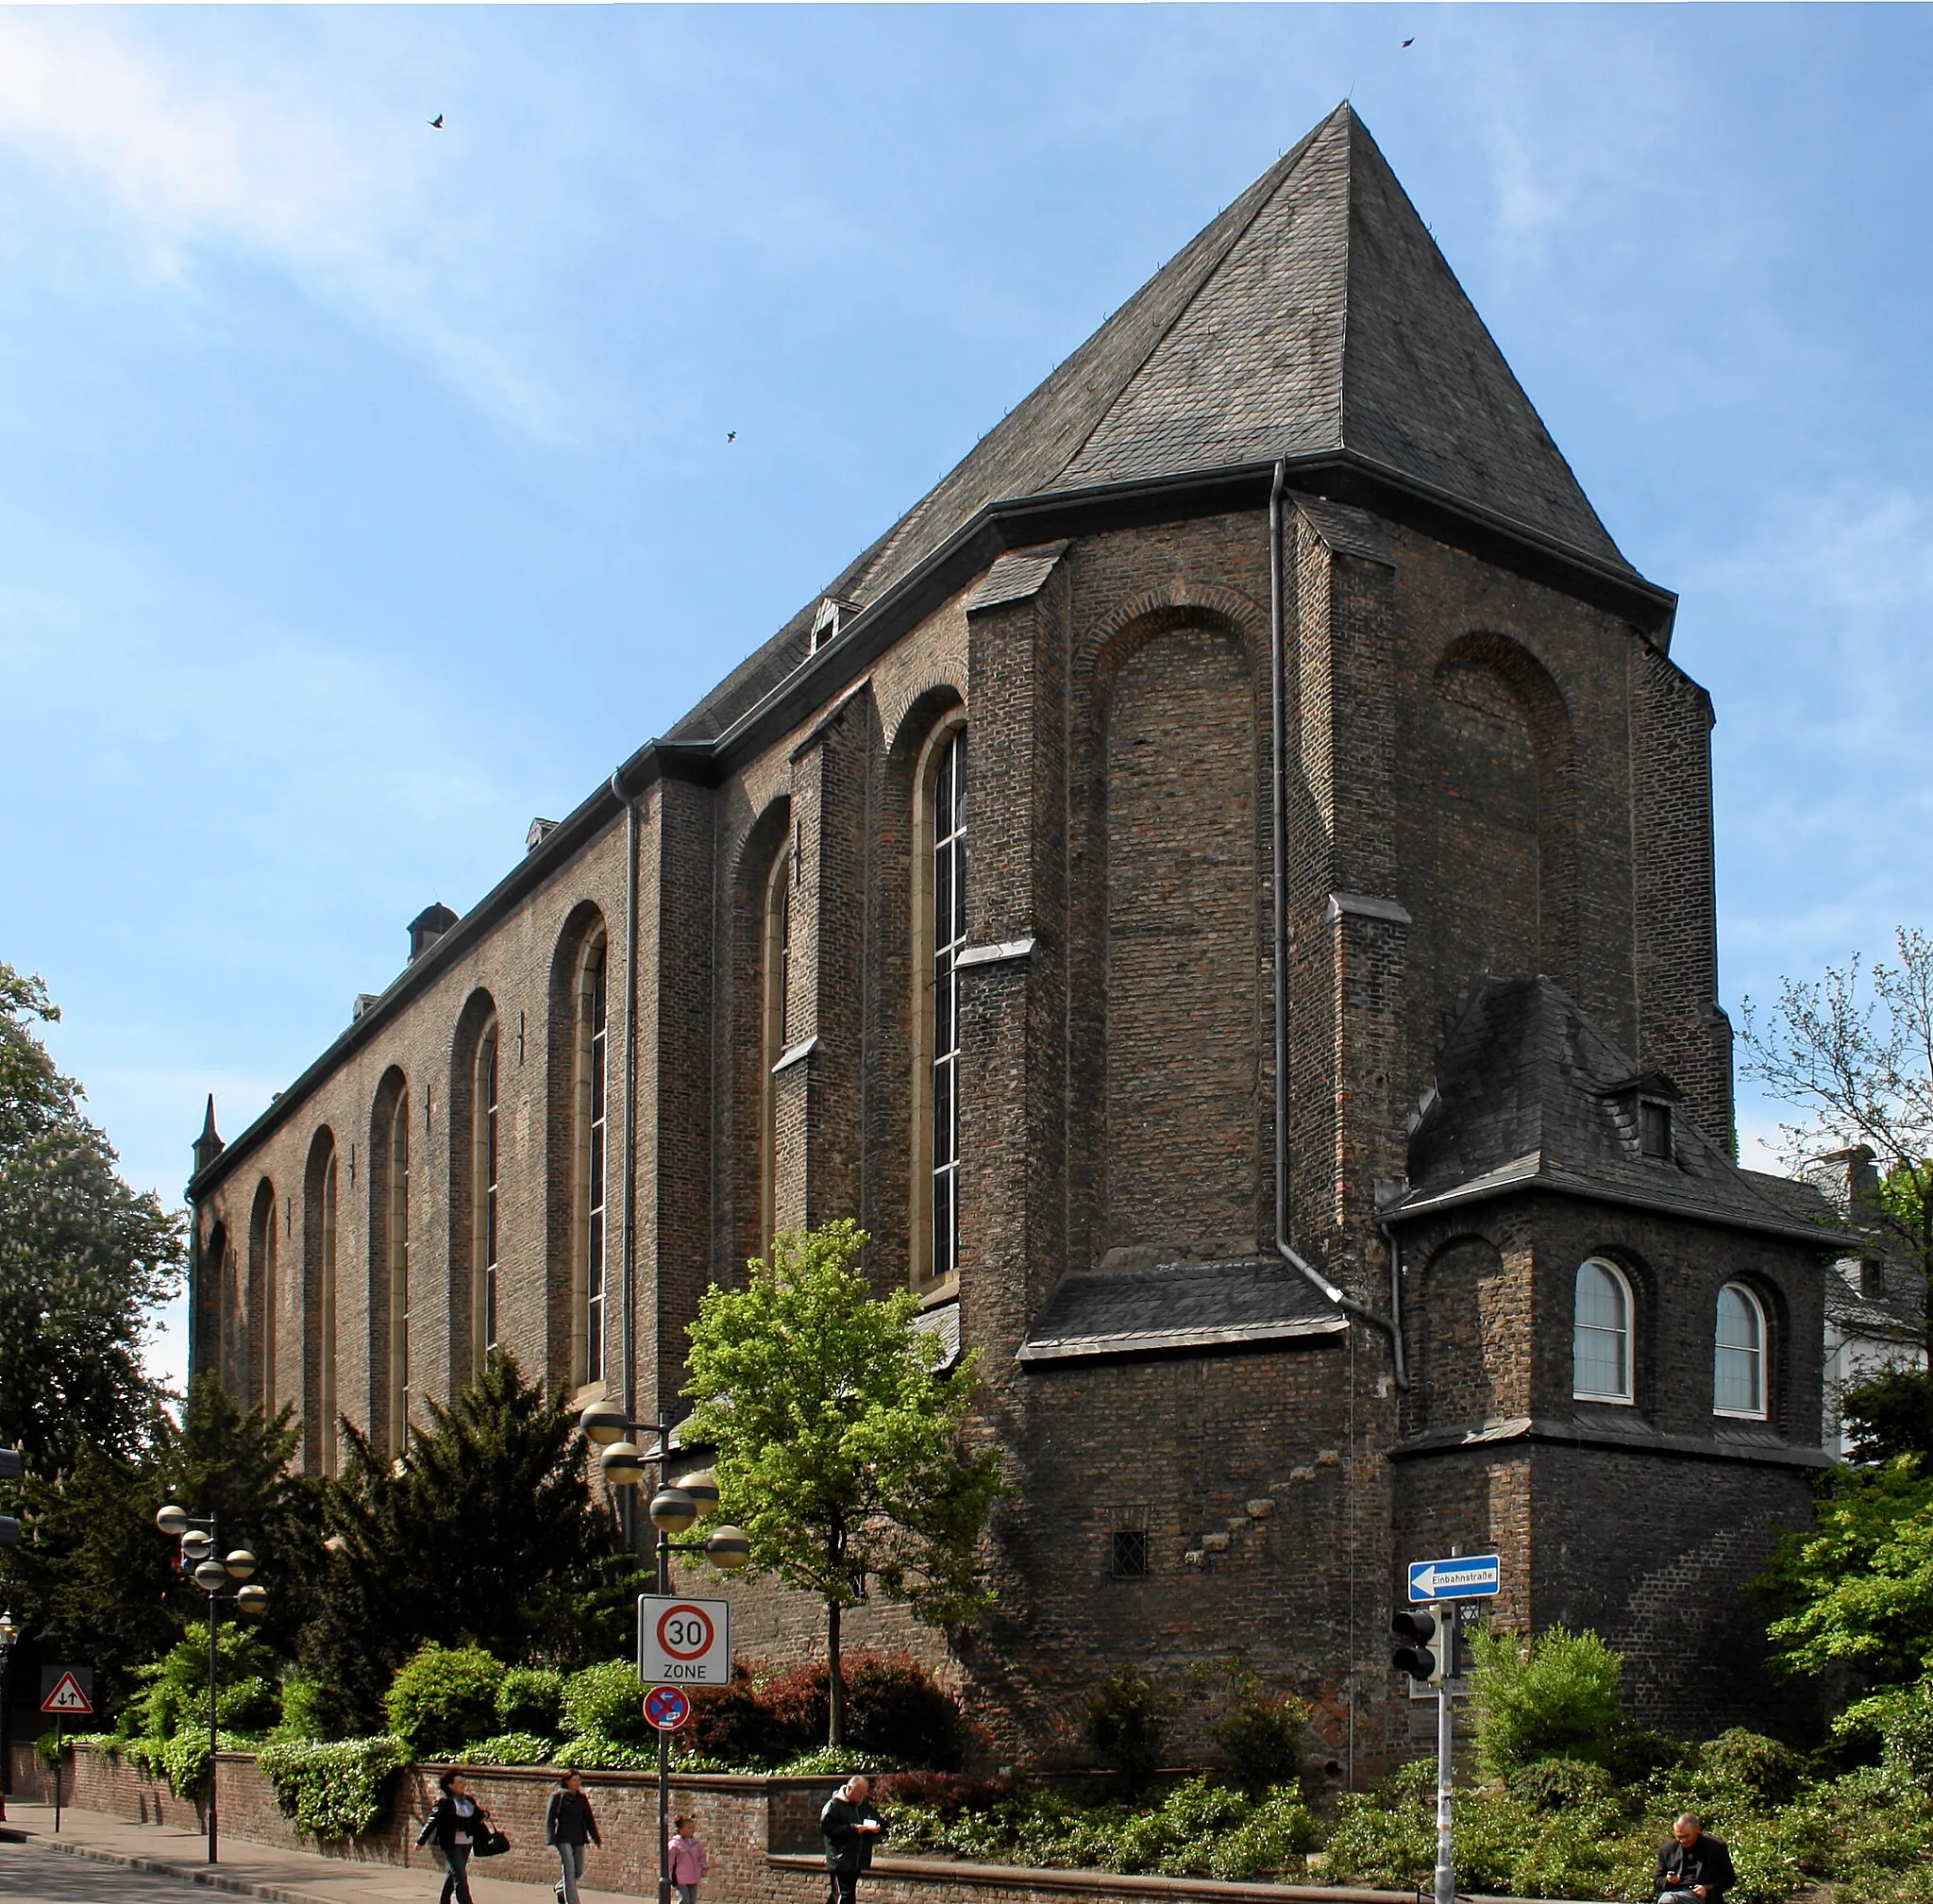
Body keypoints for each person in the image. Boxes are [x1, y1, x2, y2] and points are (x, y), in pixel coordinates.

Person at [416, 1769, 490, 1904]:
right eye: (460, 1782)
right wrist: (421, 1840)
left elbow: (478, 1815)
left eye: (464, 1782)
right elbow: (433, 1821)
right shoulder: (444, 1803)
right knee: (460, 1876)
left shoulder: (469, 1800)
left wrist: (483, 1816)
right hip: (451, 1843)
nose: (464, 1784)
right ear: (451, 1785)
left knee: (455, 1872)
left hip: (467, 1841)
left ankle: (444, 1901)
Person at [820, 1774, 884, 1904]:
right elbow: (828, 1829)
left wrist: (875, 1829)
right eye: (859, 1793)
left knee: (839, 1895)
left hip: (857, 1858)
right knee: (845, 1895)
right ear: (849, 1788)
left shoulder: (864, 1806)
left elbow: (875, 1820)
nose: (861, 1797)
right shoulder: (834, 1805)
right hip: (840, 1859)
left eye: (864, 1794)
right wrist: (853, 1829)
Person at [546, 1767, 603, 1904]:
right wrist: (550, 1838)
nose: (578, 1783)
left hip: (579, 1837)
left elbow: (589, 1819)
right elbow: (550, 1819)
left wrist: (595, 1837)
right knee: (569, 1870)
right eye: (574, 1780)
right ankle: (573, 1901)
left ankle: (560, 1888)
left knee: (578, 1870)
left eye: (579, 1780)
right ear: (567, 1782)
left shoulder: (581, 1798)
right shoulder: (558, 1797)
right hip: (563, 1838)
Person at [1656, 1813, 1738, 1904]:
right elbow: (1658, 1880)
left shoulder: (1715, 1847)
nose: (1683, 1841)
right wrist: (1668, 1881)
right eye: (1679, 1837)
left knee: (1669, 1900)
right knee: (1668, 1899)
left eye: (1687, 1836)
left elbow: (1728, 1878)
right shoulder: (1667, 1849)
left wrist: (1708, 1889)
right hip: (1674, 1892)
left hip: (1701, 1896)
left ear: (1697, 1830)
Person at [668, 1812, 710, 1904]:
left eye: (693, 1827)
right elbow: (670, 1861)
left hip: (693, 1876)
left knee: (692, 1901)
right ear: (680, 1830)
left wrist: (703, 1867)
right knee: (684, 1900)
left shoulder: (696, 1843)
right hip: (680, 1878)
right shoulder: (674, 1844)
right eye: (689, 1828)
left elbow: (701, 1856)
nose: (692, 1830)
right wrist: (669, 1875)